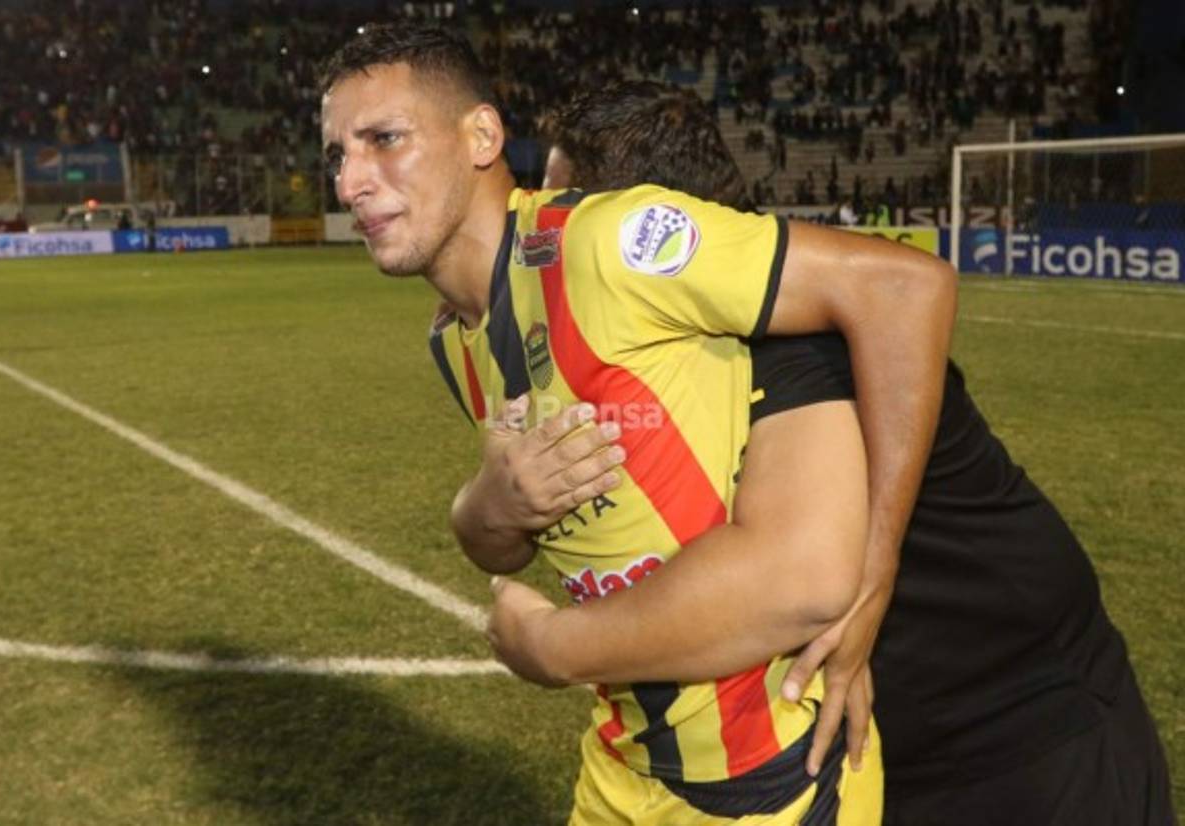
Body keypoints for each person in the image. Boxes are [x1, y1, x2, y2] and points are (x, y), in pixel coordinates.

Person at [482, 81, 1177, 826]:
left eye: (564, 209)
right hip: (882, 736)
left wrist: (871, 576)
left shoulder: (794, 330)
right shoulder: (673, 336)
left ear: (644, 218)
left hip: (1024, 716)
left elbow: (905, 290)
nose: (539, 237)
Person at [320, 26, 956, 824]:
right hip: (622, 760)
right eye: (338, 154)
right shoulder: (456, 339)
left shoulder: (610, 240)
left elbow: (904, 289)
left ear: (481, 136)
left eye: (385, 140)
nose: (352, 180)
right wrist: (488, 508)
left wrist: (874, 569)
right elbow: (511, 536)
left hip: (774, 780)